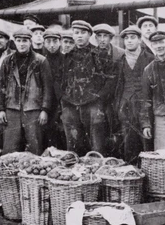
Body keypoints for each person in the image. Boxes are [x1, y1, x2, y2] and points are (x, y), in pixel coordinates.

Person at [58, 20, 115, 154]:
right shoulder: (66, 57)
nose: (79, 36)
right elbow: (57, 80)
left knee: (97, 144)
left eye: (83, 33)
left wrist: (98, 98)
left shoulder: (100, 55)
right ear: (73, 35)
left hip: (93, 105)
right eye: (76, 33)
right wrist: (64, 97)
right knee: (73, 145)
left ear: (90, 35)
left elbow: (111, 80)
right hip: (71, 105)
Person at [0, 28, 53, 155]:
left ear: (30, 42)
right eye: (19, 40)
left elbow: (47, 88)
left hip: (33, 108)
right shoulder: (7, 61)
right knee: (10, 148)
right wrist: (0, 109)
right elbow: (0, 86)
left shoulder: (41, 61)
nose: (22, 44)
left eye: (25, 41)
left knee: (35, 146)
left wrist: (45, 110)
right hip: (12, 108)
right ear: (14, 42)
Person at [113, 26, 153, 162]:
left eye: (133, 38)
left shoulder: (150, 58)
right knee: (128, 143)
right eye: (126, 38)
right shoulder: (120, 60)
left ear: (140, 40)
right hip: (126, 107)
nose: (129, 41)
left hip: (145, 107)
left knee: (147, 142)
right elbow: (118, 86)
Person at [41, 25, 66, 149]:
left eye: (55, 41)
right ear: (44, 43)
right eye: (48, 41)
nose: (51, 45)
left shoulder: (65, 60)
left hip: (60, 103)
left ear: (60, 42)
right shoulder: (39, 60)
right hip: (43, 104)